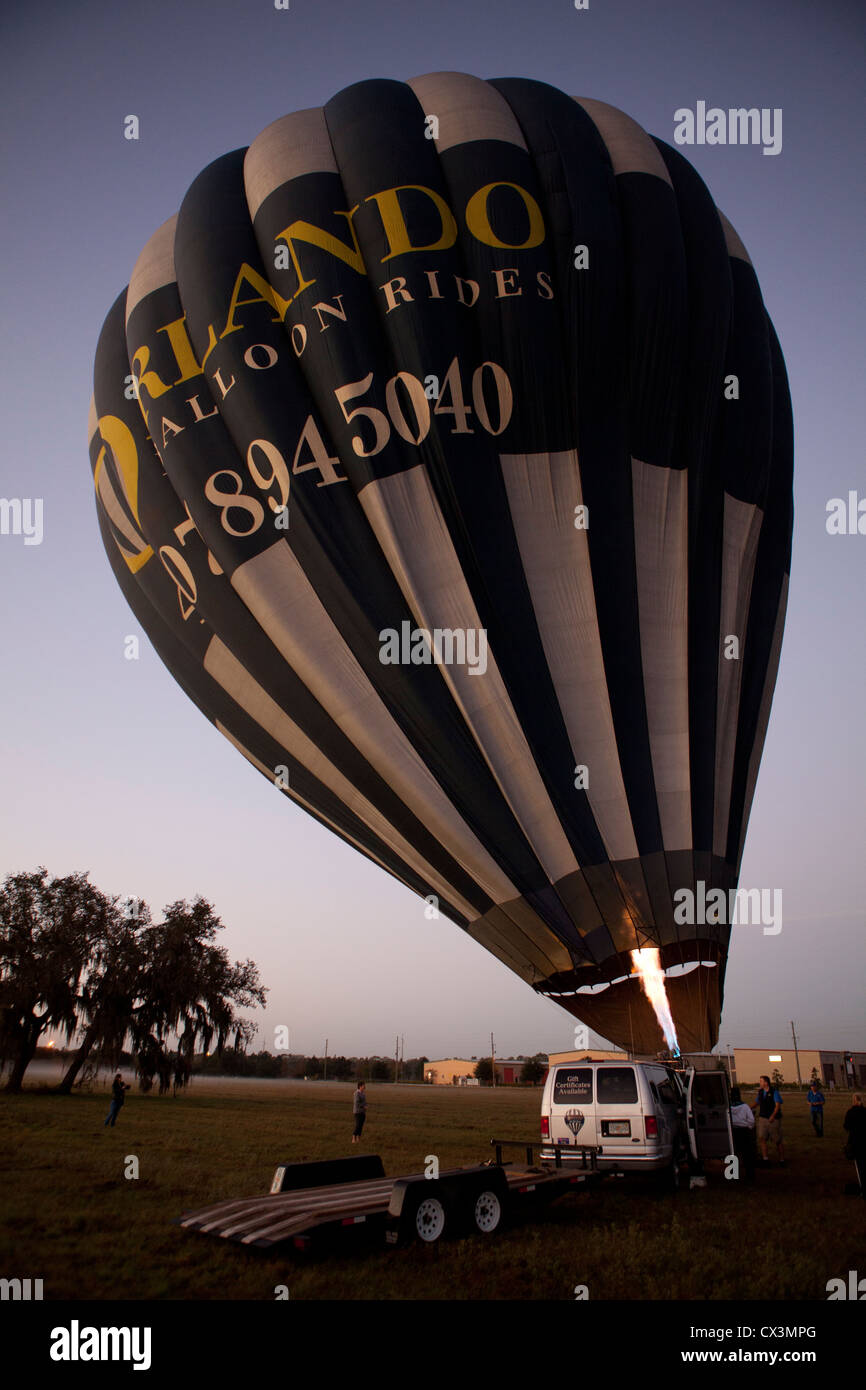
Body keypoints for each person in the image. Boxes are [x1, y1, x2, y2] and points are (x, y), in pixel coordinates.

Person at [752, 1075, 785, 1165]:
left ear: (766, 1083)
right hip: (763, 1118)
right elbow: (757, 1102)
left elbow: (777, 1105)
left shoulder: (774, 1092)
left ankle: (782, 1160)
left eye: (761, 1081)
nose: (760, 1083)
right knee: (762, 1138)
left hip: (773, 1119)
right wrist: (748, 1107)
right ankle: (765, 1159)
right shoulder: (760, 1092)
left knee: (777, 1140)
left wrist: (773, 1116)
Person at [729, 1086, 756, 1183]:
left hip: (733, 1132)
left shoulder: (728, 1107)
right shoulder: (745, 1106)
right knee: (747, 1154)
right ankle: (750, 1174)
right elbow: (751, 1120)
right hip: (744, 1132)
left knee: (733, 1153)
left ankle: (733, 1174)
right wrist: (748, 1127)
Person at [843, 1093, 866, 1198]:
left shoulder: (851, 1112)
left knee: (860, 1167)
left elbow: (846, 1126)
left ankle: (863, 1189)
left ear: (854, 1101)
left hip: (856, 1142)